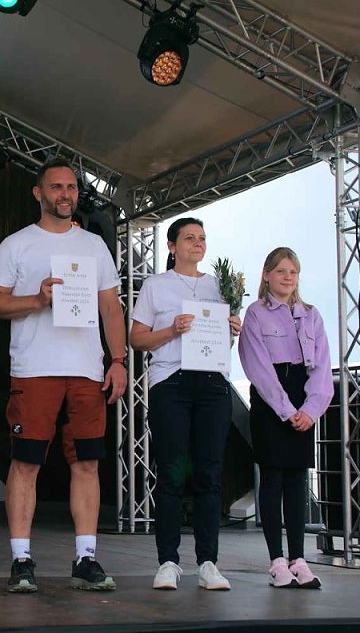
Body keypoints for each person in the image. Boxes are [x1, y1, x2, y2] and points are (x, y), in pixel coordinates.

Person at [0, 157, 127, 594]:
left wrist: (118, 360)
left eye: (71, 187)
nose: (66, 194)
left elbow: (110, 307)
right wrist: (37, 299)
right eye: (57, 187)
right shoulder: (17, 245)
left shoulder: (94, 246)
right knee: (26, 461)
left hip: (86, 369)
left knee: (87, 462)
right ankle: (21, 560)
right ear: (38, 193)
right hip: (35, 368)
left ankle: (86, 558)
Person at [129, 217, 242, 592]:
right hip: (171, 383)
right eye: (190, 238)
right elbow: (137, 338)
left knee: (210, 475)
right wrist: (171, 330)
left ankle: (208, 563)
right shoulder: (156, 285)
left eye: (202, 238)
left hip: (212, 383)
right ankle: (168, 562)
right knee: (172, 473)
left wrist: (231, 329)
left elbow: (221, 340)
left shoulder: (219, 285)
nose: (198, 243)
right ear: (172, 246)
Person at [238, 247, 332, 589]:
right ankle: (276, 561)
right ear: (266, 275)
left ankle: (298, 559)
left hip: (303, 399)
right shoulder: (255, 313)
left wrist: (311, 409)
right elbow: (257, 366)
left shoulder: (311, 315)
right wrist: (286, 410)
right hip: (271, 400)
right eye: (281, 271)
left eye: (293, 271)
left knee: (297, 479)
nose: (287, 277)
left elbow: (322, 367)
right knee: (273, 477)